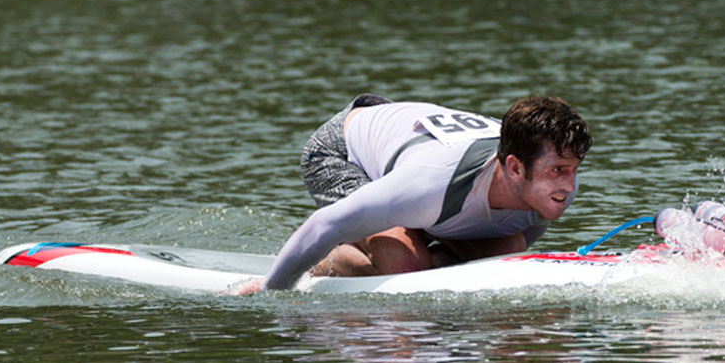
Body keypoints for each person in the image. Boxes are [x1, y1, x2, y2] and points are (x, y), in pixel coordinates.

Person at [240, 94, 591, 293]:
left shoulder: (552, 186)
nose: (569, 185)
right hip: (341, 150)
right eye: (558, 171)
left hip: (409, 143)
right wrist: (273, 289)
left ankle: (403, 242)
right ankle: (324, 260)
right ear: (515, 168)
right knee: (406, 263)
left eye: (575, 169)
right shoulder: (430, 183)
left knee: (506, 251)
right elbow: (323, 223)